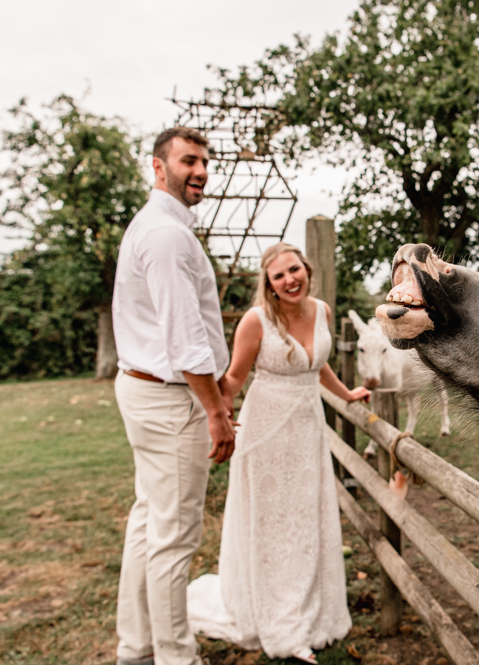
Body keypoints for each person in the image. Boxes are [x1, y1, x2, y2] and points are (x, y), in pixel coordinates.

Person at [187, 242, 370, 664]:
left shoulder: (321, 310)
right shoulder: (255, 322)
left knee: (305, 517)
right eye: (279, 276)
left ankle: (312, 611)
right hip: (266, 432)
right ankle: (281, 624)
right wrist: (215, 410)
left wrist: (346, 393)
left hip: (307, 430)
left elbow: (317, 362)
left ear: (307, 269)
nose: (290, 280)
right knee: (273, 523)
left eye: (294, 270)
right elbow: (233, 377)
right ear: (268, 285)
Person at [112, 126, 237, 665]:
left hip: (147, 391)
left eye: (205, 161)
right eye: (189, 160)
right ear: (158, 168)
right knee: (174, 538)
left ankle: (136, 649)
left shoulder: (158, 227)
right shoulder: (165, 235)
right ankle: (175, 657)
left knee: (149, 523)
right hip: (171, 402)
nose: (201, 170)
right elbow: (186, 339)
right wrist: (215, 411)